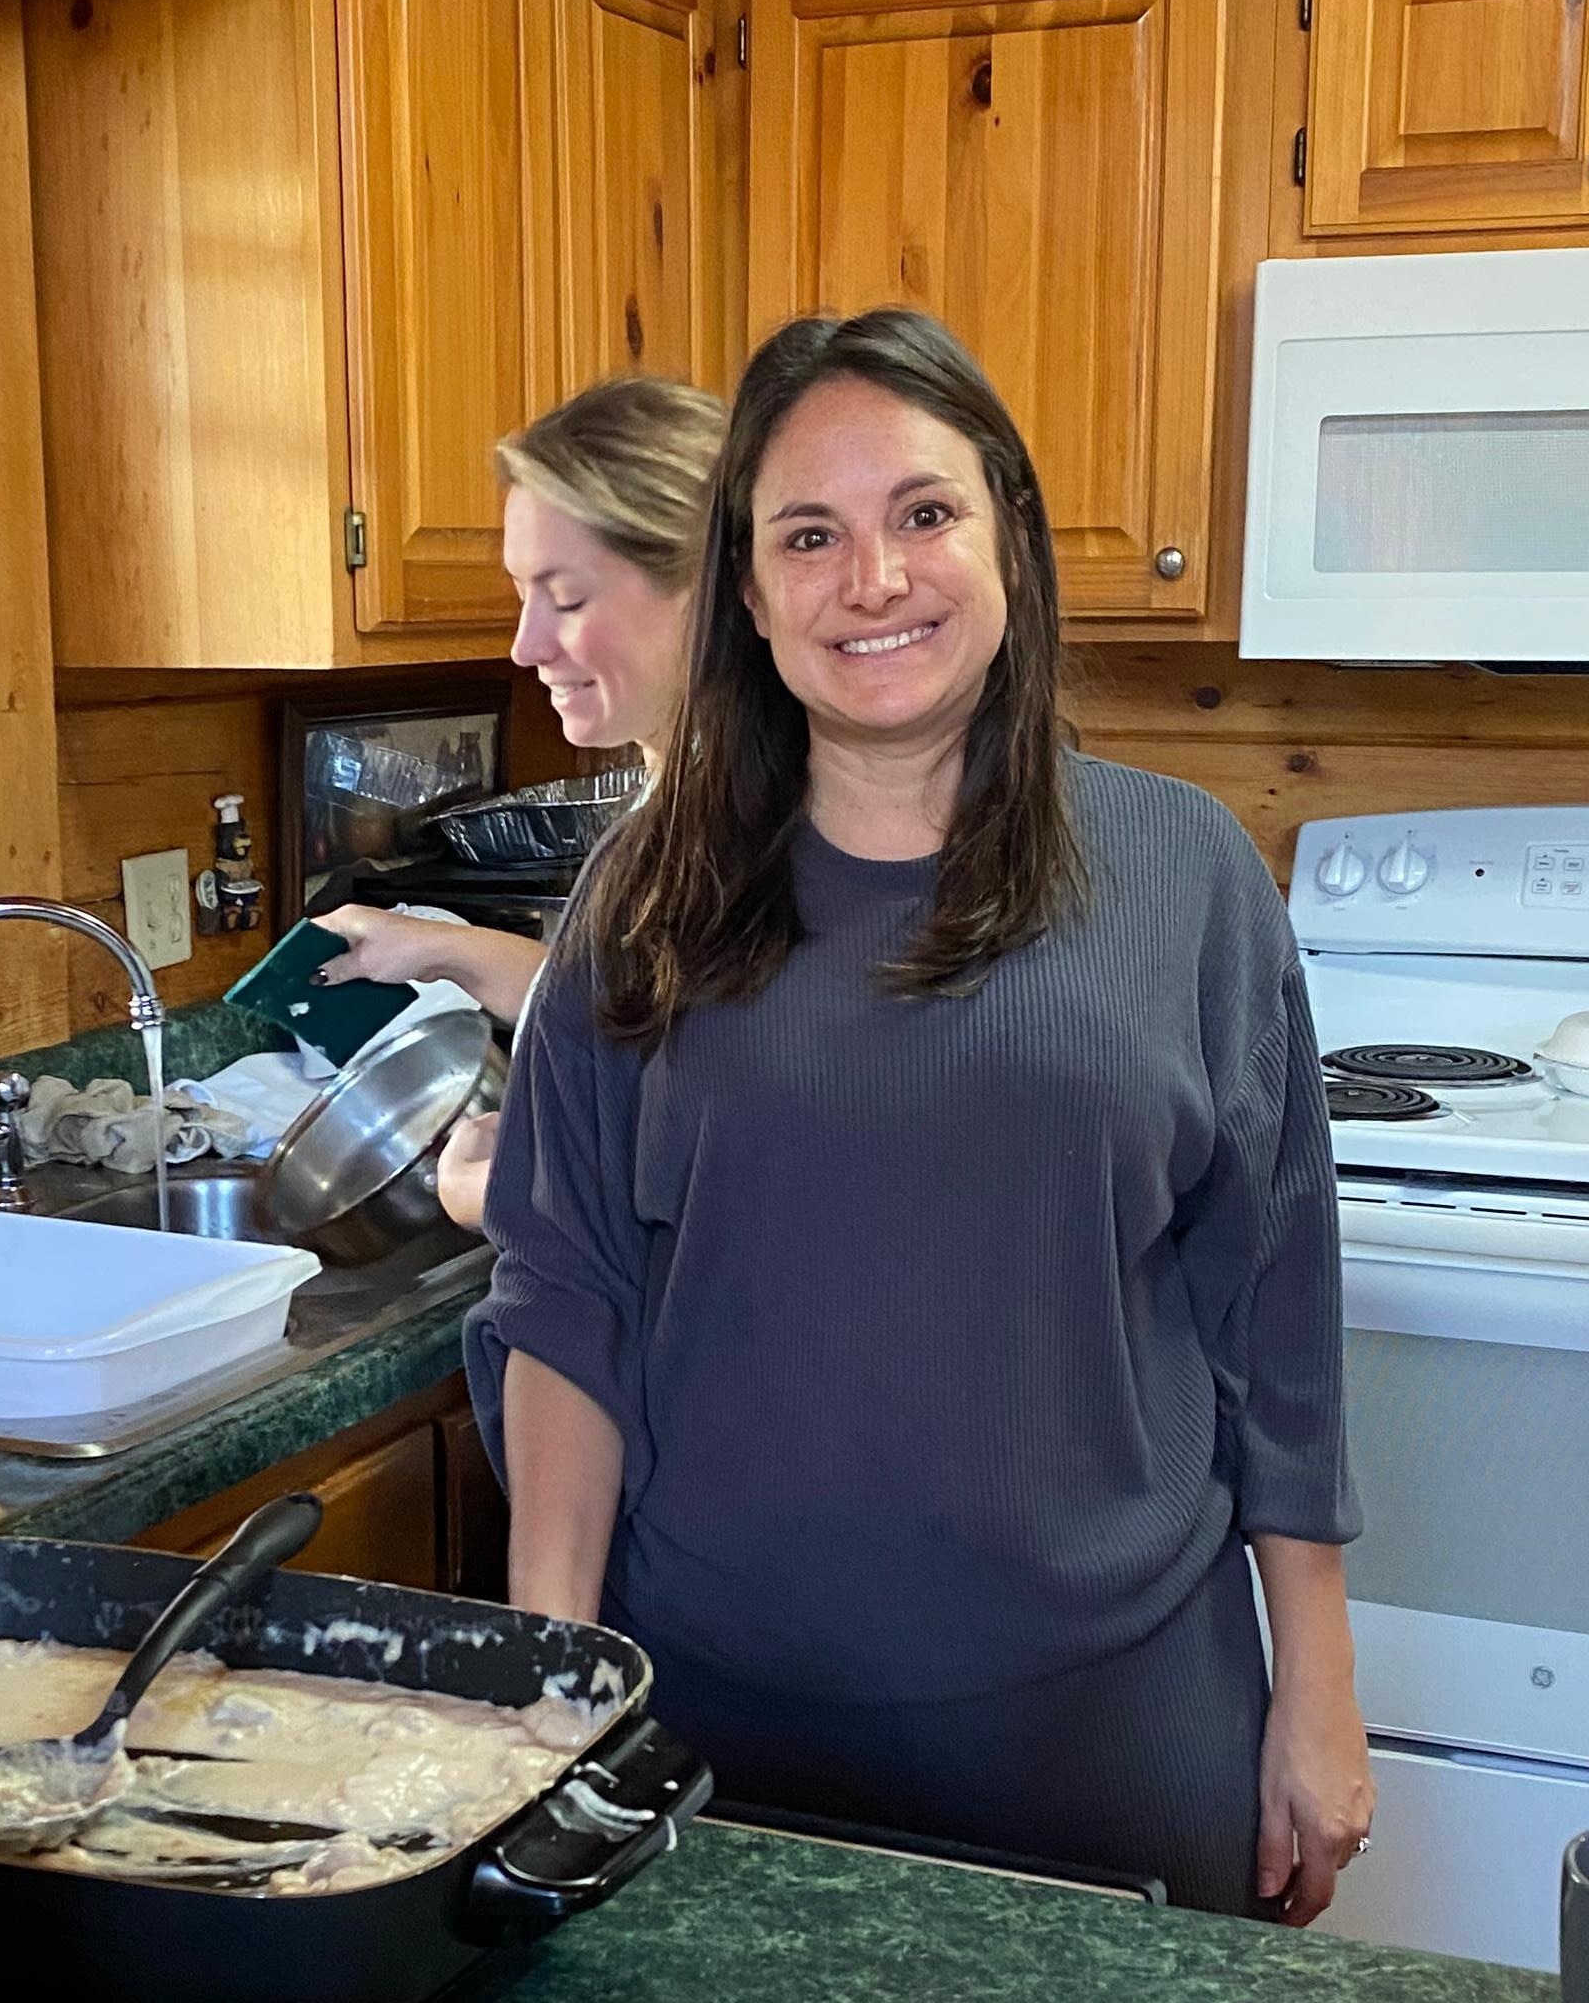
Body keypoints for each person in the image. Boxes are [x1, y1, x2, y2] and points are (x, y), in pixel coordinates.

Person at [468, 306, 1373, 1921]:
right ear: (744, 593)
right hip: (714, 1750)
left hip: (1114, 1742)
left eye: (922, 514)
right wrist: (554, 1683)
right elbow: (562, 1299)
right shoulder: (642, 896)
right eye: (805, 534)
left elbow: (1273, 1319)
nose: (869, 580)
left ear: (1009, 543)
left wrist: (1315, 1685)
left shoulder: (1186, 874)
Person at [310, 375, 721, 1230]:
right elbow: (634, 1022)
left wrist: (503, 1195)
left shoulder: (752, 838)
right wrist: (442, 948)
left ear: (710, 592)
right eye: (520, 595)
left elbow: (727, 1169)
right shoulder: (672, 812)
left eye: (565, 598)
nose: (526, 645)